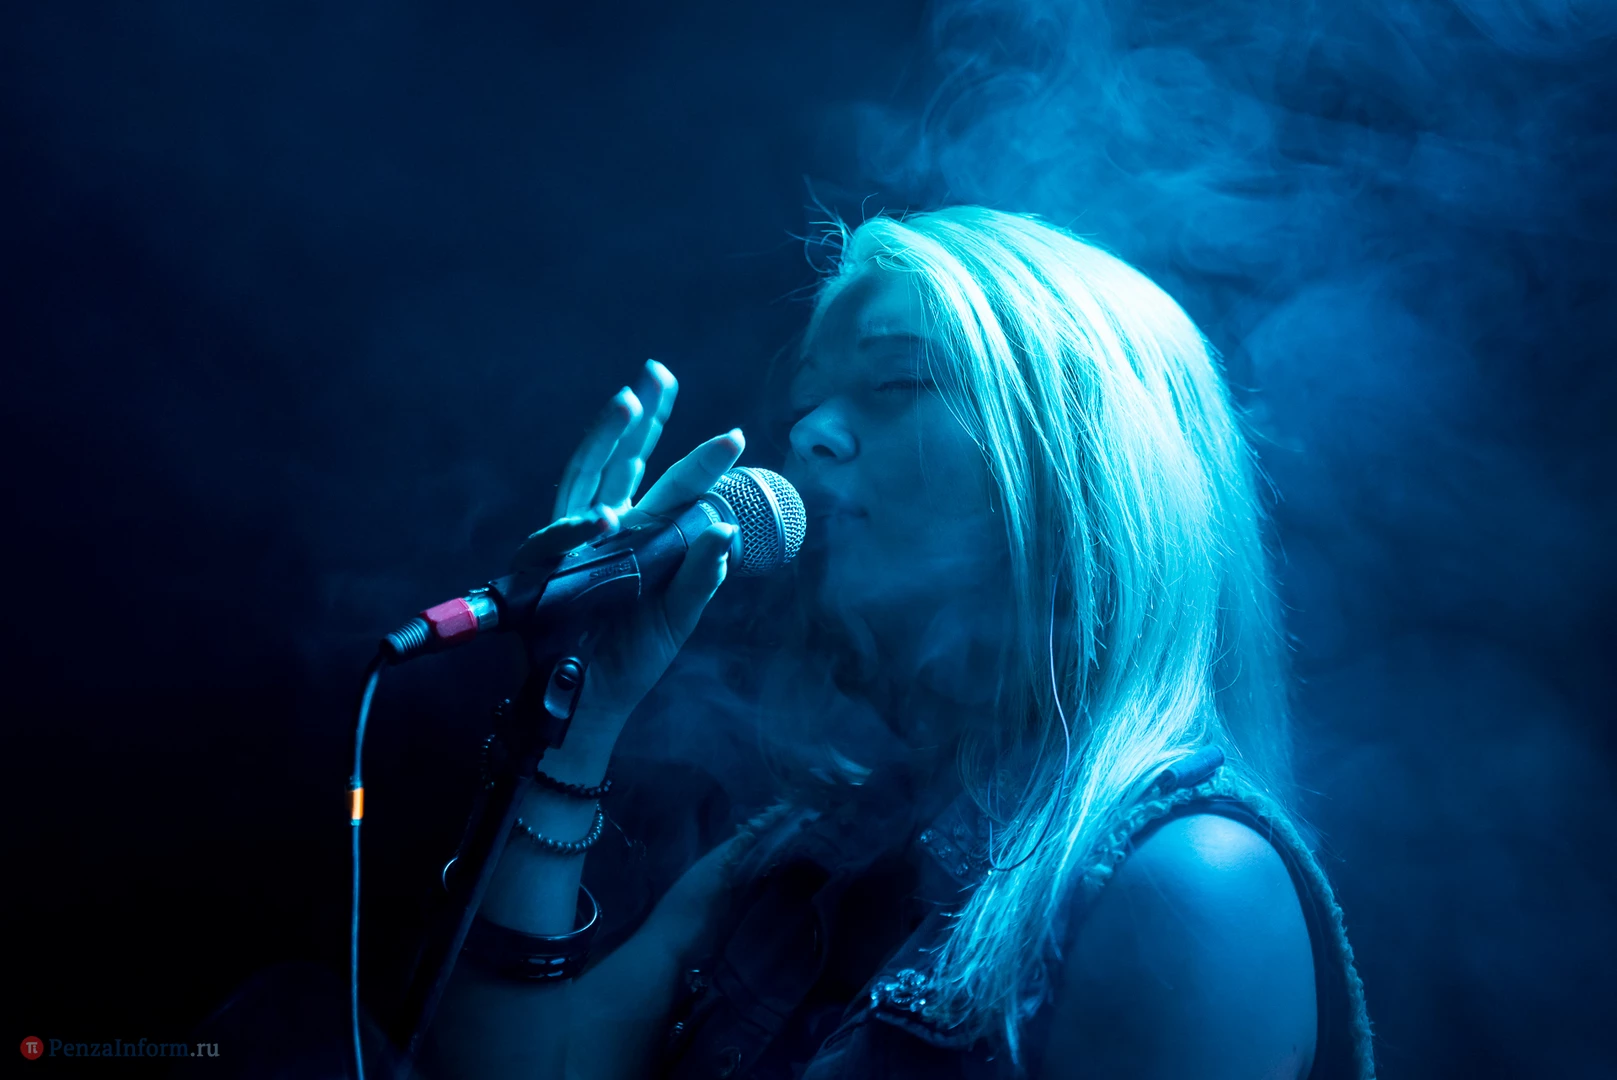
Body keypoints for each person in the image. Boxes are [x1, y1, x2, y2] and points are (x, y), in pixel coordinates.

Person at [419, 207, 1374, 1079]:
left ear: (1076, 467)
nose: (807, 434)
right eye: (807, 402)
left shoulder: (1181, 888)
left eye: (897, 381)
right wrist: (577, 717)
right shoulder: (787, 861)